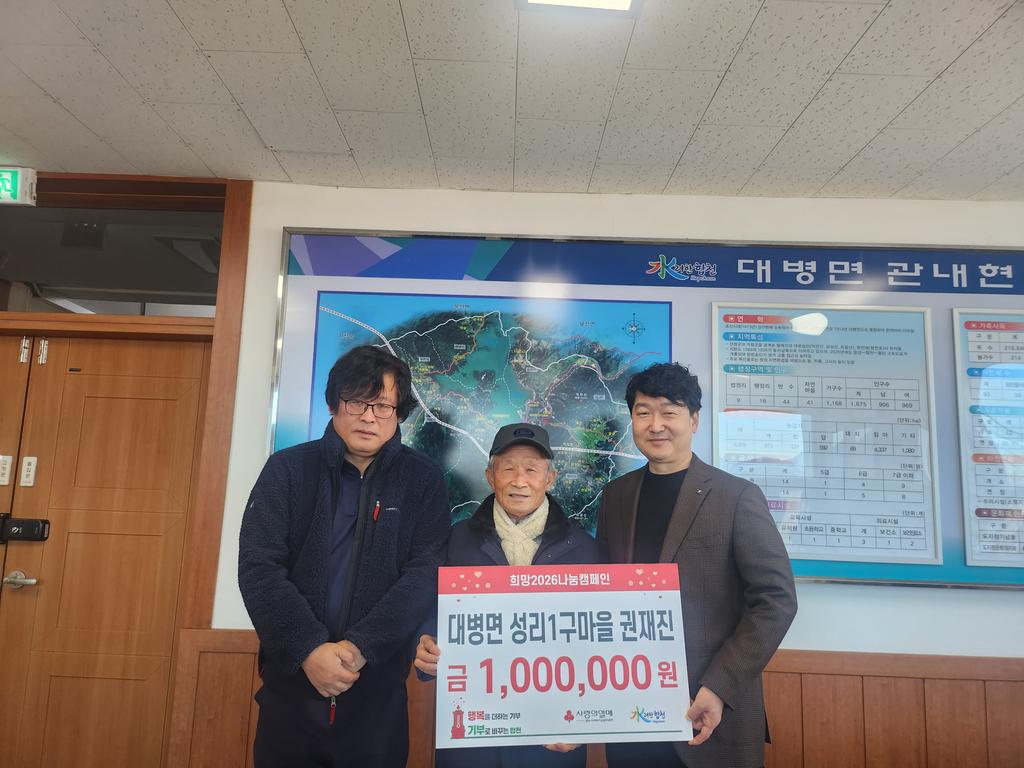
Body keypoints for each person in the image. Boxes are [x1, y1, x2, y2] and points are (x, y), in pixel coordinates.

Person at [238, 345, 450, 768]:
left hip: (378, 700)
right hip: (291, 693)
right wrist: (309, 649)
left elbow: (425, 573)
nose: (369, 417)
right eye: (357, 402)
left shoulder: (423, 479)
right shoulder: (287, 469)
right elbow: (259, 568)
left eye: (383, 406)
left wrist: (360, 647)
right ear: (334, 403)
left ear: (399, 414)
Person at [597, 363, 797, 768]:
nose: (656, 425)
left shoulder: (736, 496)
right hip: (632, 713)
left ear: (694, 419)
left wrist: (718, 687)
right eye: (643, 412)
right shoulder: (616, 496)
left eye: (669, 412)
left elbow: (776, 600)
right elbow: (603, 591)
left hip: (708, 712)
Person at [414, 422, 599, 768]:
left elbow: (599, 642)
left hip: (553, 731)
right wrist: (425, 643)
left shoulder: (584, 549)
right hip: (473, 732)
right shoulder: (456, 540)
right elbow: (430, 611)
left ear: (550, 478)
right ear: (490, 476)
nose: (519, 481)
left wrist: (586, 719)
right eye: (508, 469)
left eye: (531, 470)